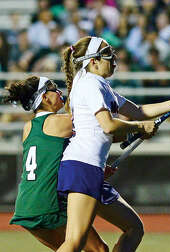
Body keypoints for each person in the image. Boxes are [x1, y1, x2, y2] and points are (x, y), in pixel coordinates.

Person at [56, 36, 170, 252]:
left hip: (89, 168)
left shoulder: (98, 84)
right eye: (108, 55)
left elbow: (138, 111)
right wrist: (141, 128)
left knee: (134, 228)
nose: (114, 59)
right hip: (82, 167)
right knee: (75, 242)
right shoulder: (90, 83)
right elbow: (108, 125)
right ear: (93, 61)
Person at [6, 76, 109, 251]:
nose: (59, 92)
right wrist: (138, 126)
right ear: (44, 97)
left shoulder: (28, 127)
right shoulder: (59, 122)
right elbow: (103, 126)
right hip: (48, 203)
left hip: (26, 205)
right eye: (53, 88)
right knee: (99, 249)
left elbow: (52, 160)